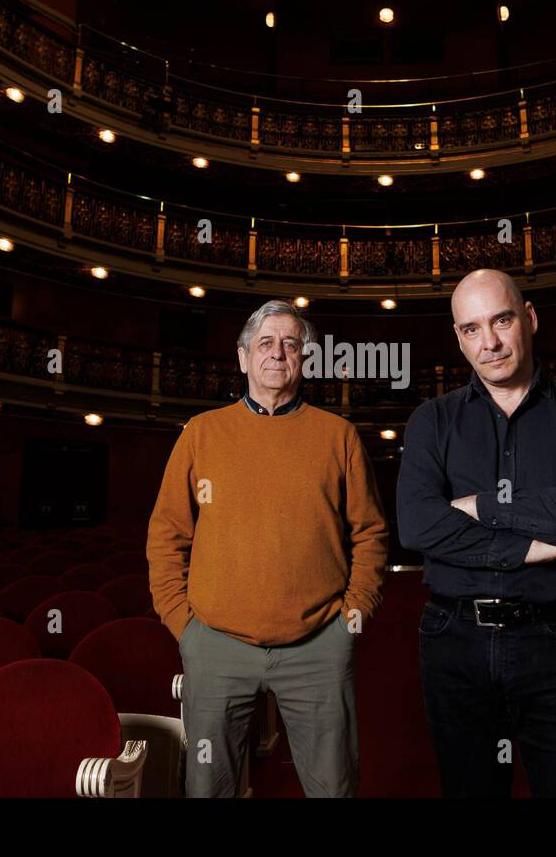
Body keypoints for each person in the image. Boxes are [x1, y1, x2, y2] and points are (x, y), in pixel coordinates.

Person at [148, 299, 388, 797]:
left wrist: (353, 616)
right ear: (242, 357)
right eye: (265, 343)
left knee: (334, 786)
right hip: (215, 643)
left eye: (291, 344)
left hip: (318, 644)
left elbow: (370, 534)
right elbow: (167, 535)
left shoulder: (338, 436)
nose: (277, 353)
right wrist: (183, 626)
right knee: (207, 786)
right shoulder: (201, 434)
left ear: (305, 359)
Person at [397, 269, 556, 797]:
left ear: (530, 318)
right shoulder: (431, 420)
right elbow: (418, 523)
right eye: (471, 329)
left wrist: (479, 505)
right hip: (453, 638)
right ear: (458, 337)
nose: (490, 342)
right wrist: (536, 542)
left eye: (501, 320)